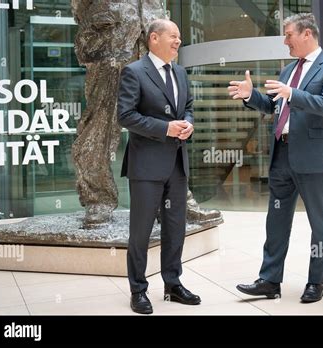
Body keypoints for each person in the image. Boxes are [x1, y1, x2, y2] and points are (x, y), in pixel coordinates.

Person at [228, 13, 323, 303]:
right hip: (282, 155)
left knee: (319, 222)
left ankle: (316, 282)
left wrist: (292, 93)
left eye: (289, 34)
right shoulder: (288, 70)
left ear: (307, 34)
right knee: (276, 220)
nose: (285, 41)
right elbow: (272, 106)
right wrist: (250, 95)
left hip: (313, 157)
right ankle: (269, 280)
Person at [117, 19, 200, 314]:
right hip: (146, 167)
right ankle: (138, 290)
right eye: (174, 36)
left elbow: (188, 107)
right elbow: (125, 116)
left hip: (177, 164)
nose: (179, 41)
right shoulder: (134, 72)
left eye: (180, 37)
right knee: (140, 232)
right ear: (154, 38)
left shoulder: (180, 72)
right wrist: (165, 128)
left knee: (175, 228)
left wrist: (187, 124)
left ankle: (173, 285)